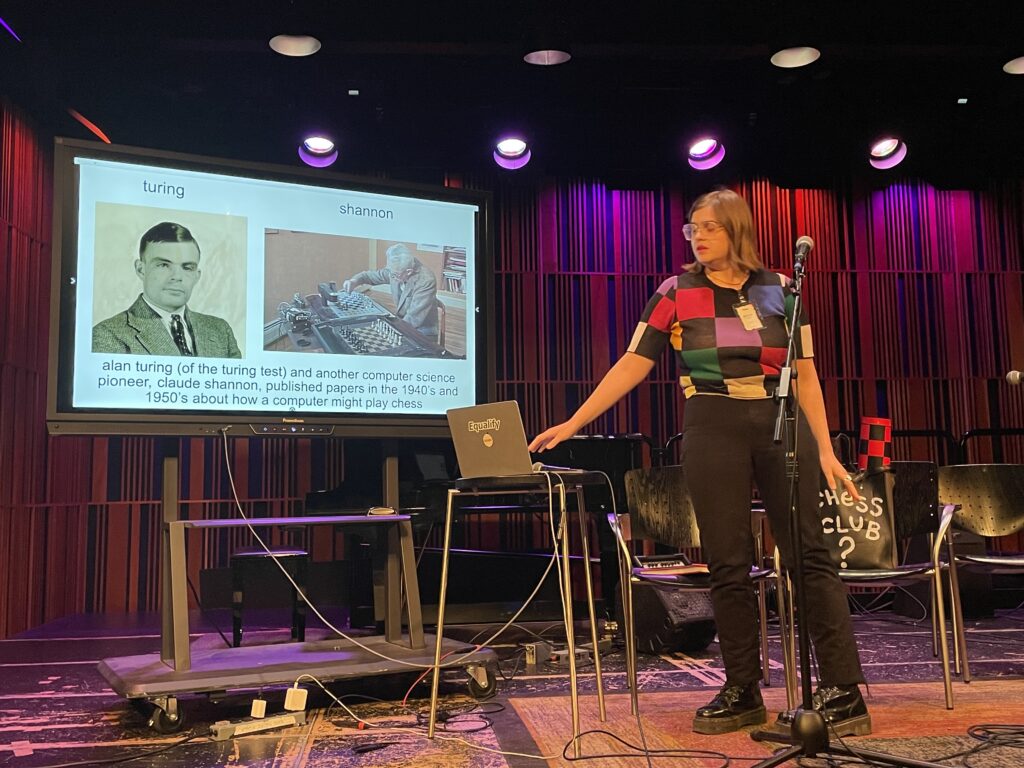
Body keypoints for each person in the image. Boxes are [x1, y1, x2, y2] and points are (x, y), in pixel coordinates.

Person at [529, 189, 870, 737]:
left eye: (710, 227)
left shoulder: (783, 288)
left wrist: (826, 449)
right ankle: (742, 689)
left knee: (810, 555)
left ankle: (842, 690)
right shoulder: (675, 291)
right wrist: (574, 422)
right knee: (728, 559)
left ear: (737, 231)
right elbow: (632, 362)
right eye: (692, 228)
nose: (698, 236)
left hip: (781, 422)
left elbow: (804, 373)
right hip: (712, 423)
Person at [92, 221, 241, 358]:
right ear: (140, 269)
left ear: (197, 275)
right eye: (163, 265)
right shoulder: (108, 334)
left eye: (187, 267)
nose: (177, 277)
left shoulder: (221, 331)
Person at [343, 243, 438, 338]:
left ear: (408, 271)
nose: (391, 276)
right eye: (390, 272)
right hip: (402, 322)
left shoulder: (426, 280)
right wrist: (354, 281)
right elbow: (369, 276)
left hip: (423, 330)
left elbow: (414, 319)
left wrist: (389, 330)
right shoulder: (396, 270)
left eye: (394, 275)